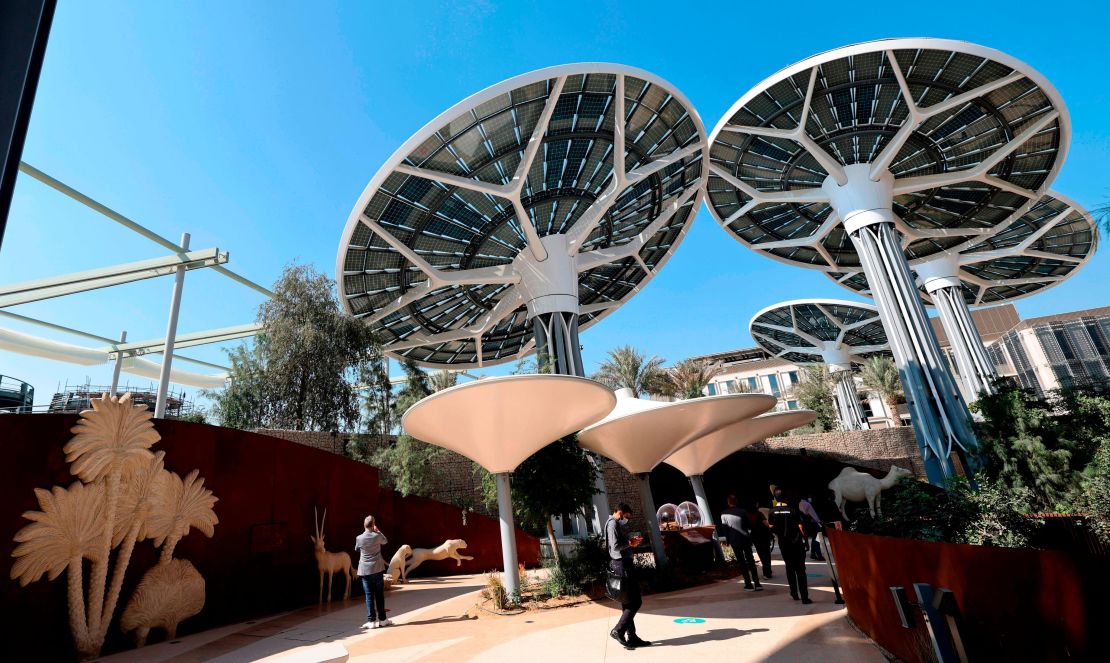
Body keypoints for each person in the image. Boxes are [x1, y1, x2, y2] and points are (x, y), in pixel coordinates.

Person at [605, 503, 651, 649]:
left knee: (627, 602)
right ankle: (618, 630)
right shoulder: (612, 524)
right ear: (619, 512)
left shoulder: (612, 523)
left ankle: (632, 637)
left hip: (621, 564)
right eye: (626, 517)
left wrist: (630, 543)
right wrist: (630, 543)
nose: (626, 520)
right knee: (635, 601)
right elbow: (615, 545)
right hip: (622, 565)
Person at [769, 490, 812, 604]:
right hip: (796, 543)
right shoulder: (792, 510)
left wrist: (778, 533)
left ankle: (794, 592)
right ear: (786, 499)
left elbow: (771, 525)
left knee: (789, 567)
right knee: (801, 570)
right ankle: (805, 597)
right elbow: (800, 526)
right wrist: (806, 541)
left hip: (784, 544)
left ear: (776, 499)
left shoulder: (772, 512)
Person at [720, 494, 763, 592]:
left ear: (728, 502)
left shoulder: (724, 514)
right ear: (736, 502)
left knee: (741, 562)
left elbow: (725, 529)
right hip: (745, 538)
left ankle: (748, 584)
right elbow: (749, 525)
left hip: (734, 540)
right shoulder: (743, 511)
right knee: (751, 561)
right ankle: (757, 583)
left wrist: (727, 540)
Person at [355, 515, 392, 628]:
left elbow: (356, 549)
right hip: (377, 569)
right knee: (379, 595)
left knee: (369, 596)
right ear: (373, 525)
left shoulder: (359, 538)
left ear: (364, 525)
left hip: (365, 571)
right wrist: (378, 531)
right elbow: (385, 541)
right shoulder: (377, 536)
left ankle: (371, 621)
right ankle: (382, 619)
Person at [748, 502, 774, 579]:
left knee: (761, 555)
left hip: (755, 538)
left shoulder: (747, 515)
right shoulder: (759, 514)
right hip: (764, 536)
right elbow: (766, 524)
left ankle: (766, 571)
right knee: (767, 555)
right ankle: (767, 572)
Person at [799, 494, 825, 561]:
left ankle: (813, 554)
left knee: (814, 538)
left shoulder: (799, 504)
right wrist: (819, 521)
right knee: (817, 538)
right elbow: (813, 514)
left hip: (805, 523)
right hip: (813, 523)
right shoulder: (807, 504)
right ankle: (818, 555)